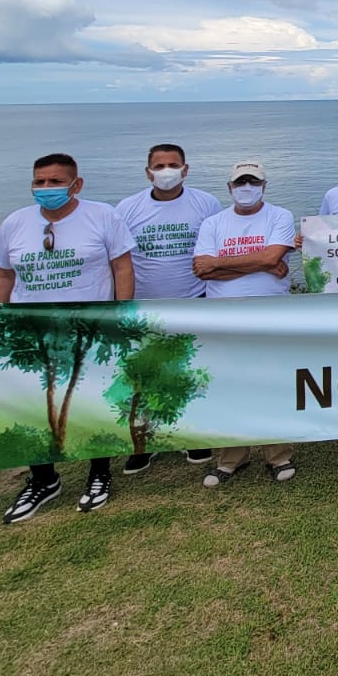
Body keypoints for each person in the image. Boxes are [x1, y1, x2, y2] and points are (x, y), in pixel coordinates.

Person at [0, 153, 134, 522]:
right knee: (32, 405)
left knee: (91, 402)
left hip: (88, 327)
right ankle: (42, 479)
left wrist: (120, 314)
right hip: (31, 332)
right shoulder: (15, 223)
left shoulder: (102, 216)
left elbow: (122, 267)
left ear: (76, 184)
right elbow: (3, 275)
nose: (47, 188)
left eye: (55, 181)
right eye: (40, 181)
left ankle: (99, 473)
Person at [114, 142, 222, 472]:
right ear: (147, 172)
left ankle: (195, 438)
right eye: (159, 166)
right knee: (145, 376)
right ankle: (146, 442)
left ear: (186, 169)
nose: (166, 171)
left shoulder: (206, 203)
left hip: (194, 299)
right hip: (145, 304)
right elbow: (120, 261)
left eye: (172, 164)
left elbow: (215, 251)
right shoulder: (126, 208)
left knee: (191, 370)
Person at [195, 161, 300, 485]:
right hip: (224, 317)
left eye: (253, 181)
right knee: (230, 385)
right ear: (229, 188)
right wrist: (262, 265)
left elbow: (271, 258)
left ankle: (278, 456)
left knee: (272, 383)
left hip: (270, 315)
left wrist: (222, 265)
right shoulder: (213, 223)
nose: (246, 187)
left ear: (264, 185)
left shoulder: (279, 216)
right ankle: (230, 458)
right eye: (240, 182)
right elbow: (201, 269)